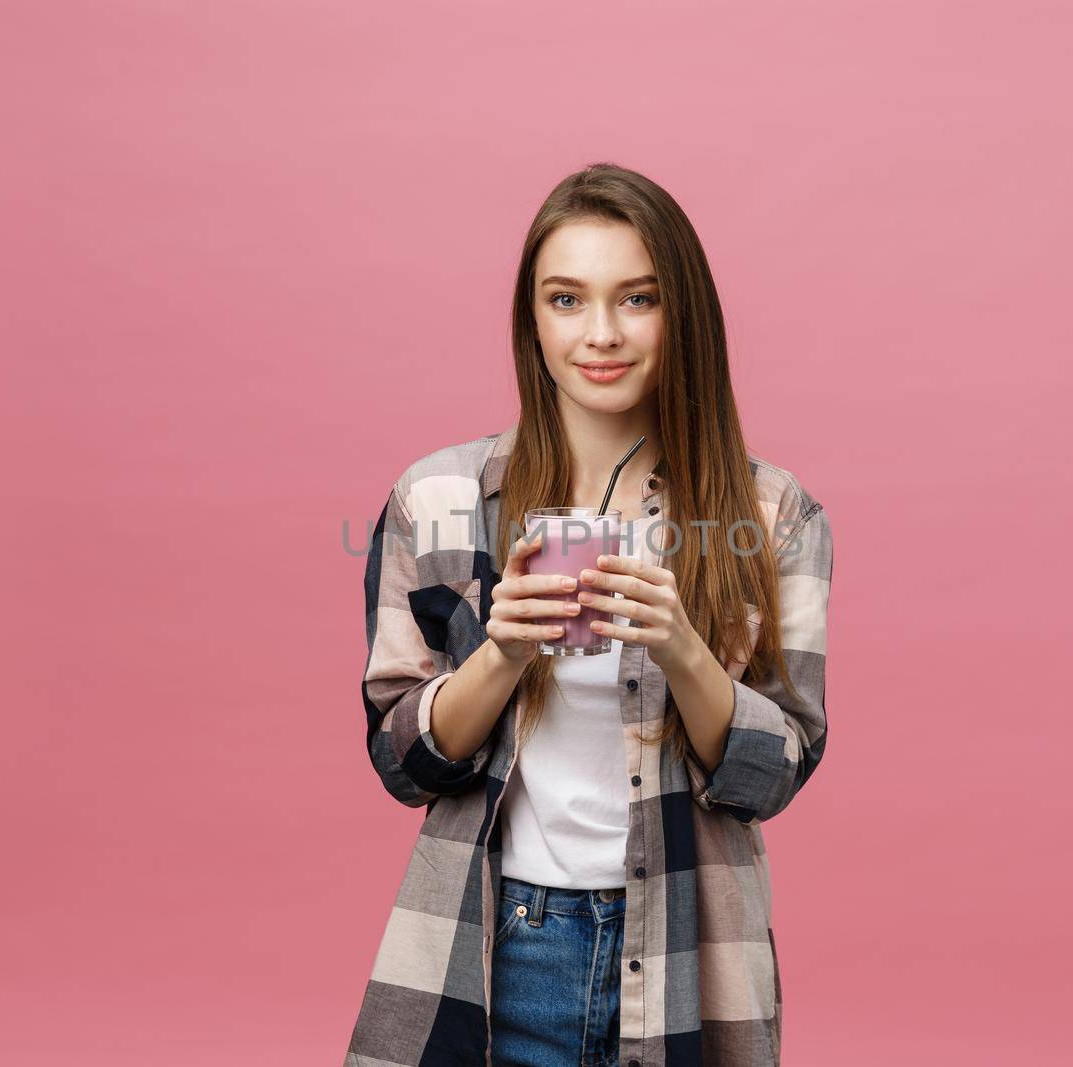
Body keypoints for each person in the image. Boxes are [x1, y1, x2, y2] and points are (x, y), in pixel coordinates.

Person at [345, 162, 834, 1067]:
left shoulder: (771, 515)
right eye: (566, 298)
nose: (600, 333)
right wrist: (500, 652)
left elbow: (779, 772)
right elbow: (399, 760)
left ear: (681, 312)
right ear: (531, 318)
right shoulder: (441, 498)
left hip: (691, 954)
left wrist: (685, 650)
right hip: (496, 953)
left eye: (636, 297)